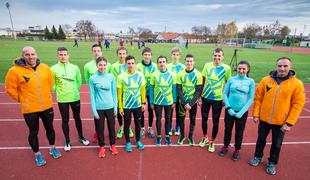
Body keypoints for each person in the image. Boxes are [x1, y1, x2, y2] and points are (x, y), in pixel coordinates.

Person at [5, 46, 61, 167]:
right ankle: (37, 154)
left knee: (50, 128)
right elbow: (10, 89)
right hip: (30, 109)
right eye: (27, 54)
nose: (31, 57)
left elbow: (50, 82)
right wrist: (22, 100)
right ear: (23, 56)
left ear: (36, 54)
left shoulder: (45, 68)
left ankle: (53, 148)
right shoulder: (14, 71)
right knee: (33, 132)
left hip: (46, 106)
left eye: (32, 54)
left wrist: (46, 95)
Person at [248, 57, 305, 175]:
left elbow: (297, 105)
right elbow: (258, 98)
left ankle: (272, 162)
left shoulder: (297, 84)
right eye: (280, 66)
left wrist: (289, 123)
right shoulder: (265, 80)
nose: (282, 68)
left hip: (281, 122)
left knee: (276, 144)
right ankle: (258, 156)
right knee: (260, 140)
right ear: (276, 66)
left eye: (285, 66)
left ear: (290, 67)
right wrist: (256, 114)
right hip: (264, 119)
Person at [51, 47, 89, 152]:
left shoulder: (75, 67)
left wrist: (74, 90)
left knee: (77, 118)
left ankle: (81, 137)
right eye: (60, 54)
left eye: (64, 54)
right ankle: (67, 141)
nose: (63, 56)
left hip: (74, 97)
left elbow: (79, 80)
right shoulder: (53, 69)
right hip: (62, 99)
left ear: (68, 55)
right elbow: (52, 84)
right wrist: (59, 91)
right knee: (65, 120)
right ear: (57, 56)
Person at [218, 61, 255, 160]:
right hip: (230, 110)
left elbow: (251, 98)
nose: (241, 71)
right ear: (237, 69)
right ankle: (225, 146)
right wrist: (228, 108)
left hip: (241, 113)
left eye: (244, 69)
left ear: (248, 70)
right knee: (227, 130)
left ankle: (237, 150)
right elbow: (225, 94)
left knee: (239, 132)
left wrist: (241, 112)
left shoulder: (251, 81)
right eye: (239, 68)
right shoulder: (231, 79)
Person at [199, 48, 231, 152]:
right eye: (215, 55)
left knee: (215, 121)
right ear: (212, 56)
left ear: (222, 57)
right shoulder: (207, 65)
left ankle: (212, 141)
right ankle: (205, 137)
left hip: (218, 99)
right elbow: (203, 81)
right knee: (204, 119)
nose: (217, 58)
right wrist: (199, 97)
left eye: (219, 56)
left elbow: (228, 84)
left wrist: (226, 98)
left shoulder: (227, 68)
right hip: (205, 97)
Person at [89, 57, 118, 158]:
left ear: (107, 65)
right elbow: (92, 96)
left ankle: (112, 145)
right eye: (100, 65)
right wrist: (94, 111)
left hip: (110, 107)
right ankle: (101, 147)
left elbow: (114, 93)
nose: (102, 67)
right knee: (100, 129)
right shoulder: (92, 78)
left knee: (111, 128)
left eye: (104, 65)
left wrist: (115, 107)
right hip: (99, 108)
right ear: (97, 65)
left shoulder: (111, 77)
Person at [117, 55, 146, 152]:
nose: (131, 65)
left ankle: (138, 140)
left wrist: (143, 103)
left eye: (132, 63)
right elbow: (119, 94)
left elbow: (142, 90)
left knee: (138, 124)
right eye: (128, 63)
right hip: (126, 106)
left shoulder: (140, 75)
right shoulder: (121, 77)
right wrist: (120, 108)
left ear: (135, 64)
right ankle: (128, 142)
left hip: (137, 105)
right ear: (125, 64)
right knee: (127, 125)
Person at [84, 44, 111, 143]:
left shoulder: (109, 65)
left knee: (108, 118)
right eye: (94, 51)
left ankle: (109, 133)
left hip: (106, 96)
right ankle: (97, 132)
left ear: (101, 51)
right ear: (92, 52)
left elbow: (109, 78)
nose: (96, 52)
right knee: (97, 116)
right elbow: (87, 79)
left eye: (98, 50)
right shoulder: (87, 66)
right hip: (96, 94)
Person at [150, 55, 177, 146]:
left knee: (168, 119)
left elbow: (174, 89)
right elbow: (151, 89)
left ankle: (167, 136)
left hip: (168, 102)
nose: (162, 64)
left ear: (166, 63)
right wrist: (151, 102)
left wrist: (174, 101)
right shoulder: (154, 74)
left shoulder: (172, 74)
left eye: (163, 61)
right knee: (158, 119)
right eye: (160, 62)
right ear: (157, 64)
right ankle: (158, 137)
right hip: (157, 102)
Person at [176, 54, 202, 146]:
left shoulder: (198, 74)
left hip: (193, 103)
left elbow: (198, 91)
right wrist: (185, 102)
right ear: (185, 62)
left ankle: (190, 137)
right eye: (187, 61)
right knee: (181, 119)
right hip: (182, 102)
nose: (189, 63)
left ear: (194, 62)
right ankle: (182, 136)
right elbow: (178, 89)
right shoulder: (180, 74)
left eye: (191, 61)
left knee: (193, 120)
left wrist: (190, 103)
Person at [109, 47, 134, 139]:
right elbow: (111, 79)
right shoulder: (113, 66)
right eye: (120, 53)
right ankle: (121, 127)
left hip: (128, 93)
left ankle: (129, 127)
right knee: (120, 111)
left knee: (128, 111)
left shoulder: (129, 65)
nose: (122, 55)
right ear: (117, 54)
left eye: (124, 53)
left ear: (126, 54)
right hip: (117, 92)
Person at [136, 47, 157, 138]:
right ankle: (142, 128)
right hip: (141, 93)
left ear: (151, 55)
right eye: (145, 55)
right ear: (142, 55)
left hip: (152, 92)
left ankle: (150, 127)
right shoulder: (138, 66)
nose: (147, 56)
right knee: (141, 110)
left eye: (148, 55)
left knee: (151, 110)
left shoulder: (155, 66)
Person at [167, 47, 186, 136]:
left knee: (179, 112)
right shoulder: (168, 66)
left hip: (180, 93)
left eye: (177, 55)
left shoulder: (183, 67)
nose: (175, 56)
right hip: (170, 93)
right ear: (171, 55)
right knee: (169, 112)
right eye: (174, 54)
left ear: (180, 56)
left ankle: (178, 126)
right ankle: (170, 127)